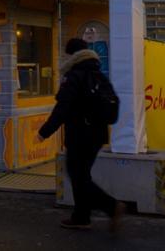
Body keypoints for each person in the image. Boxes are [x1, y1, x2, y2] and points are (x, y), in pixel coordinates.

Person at [38, 38, 123, 231]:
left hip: (79, 134)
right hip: (98, 135)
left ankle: (112, 207)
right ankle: (81, 217)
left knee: (77, 175)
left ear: (71, 55)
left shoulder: (74, 76)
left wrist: (45, 131)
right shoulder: (99, 74)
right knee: (82, 175)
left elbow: (63, 107)